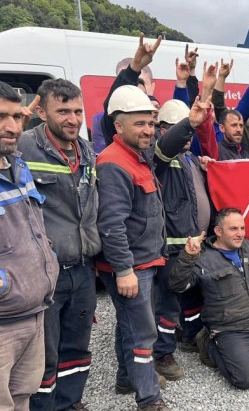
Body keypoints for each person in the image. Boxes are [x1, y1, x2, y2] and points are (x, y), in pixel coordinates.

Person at [95, 62, 204, 409]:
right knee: (142, 332)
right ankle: (149, 399)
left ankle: (126, 379)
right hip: (132, 266)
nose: (147, 130)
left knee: (129, 325)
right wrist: (124, 269)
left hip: (143, 261)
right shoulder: (114, 163)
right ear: (118, 125)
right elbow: (111, 224)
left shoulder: (139, 157)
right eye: (139, 123)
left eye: (150, 123)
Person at [19, 79, 100, 411]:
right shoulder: (23, 147)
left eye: (78, 111)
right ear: (41, 111)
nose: (73, 119)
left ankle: (70, 401)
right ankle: (44, 406)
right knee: (44, 350)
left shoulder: (87, 151)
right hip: (45, 272)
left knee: (77, 346)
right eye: (63, 111)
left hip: (82, 269)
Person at [168, 207, 249, 390]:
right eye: (233, 229)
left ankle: (246, 350)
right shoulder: (203, 259)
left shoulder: (248, 247)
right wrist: (188, 257)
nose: (240, 234)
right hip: (230, 330)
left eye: (242, 228)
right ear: (218, 231)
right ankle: (209, 344)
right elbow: (177, 286)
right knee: (245, 381)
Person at [0, 81, 59, 411]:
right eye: (1, 117)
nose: (12, 127)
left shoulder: (16, 165)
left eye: (16, 117)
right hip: (3, 321)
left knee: (22, 398)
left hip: (33, 313)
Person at [151, 98, 213, 381]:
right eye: (181, 129)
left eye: (190, 131)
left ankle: (188, 336)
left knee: (191, 295)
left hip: (192, 243)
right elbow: (166, 149)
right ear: (164, 130)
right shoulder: (161, 158)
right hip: (173, 245)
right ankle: (163, 354)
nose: (188, 136)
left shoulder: (190, 159)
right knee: (168, 302)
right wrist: (188, 124)